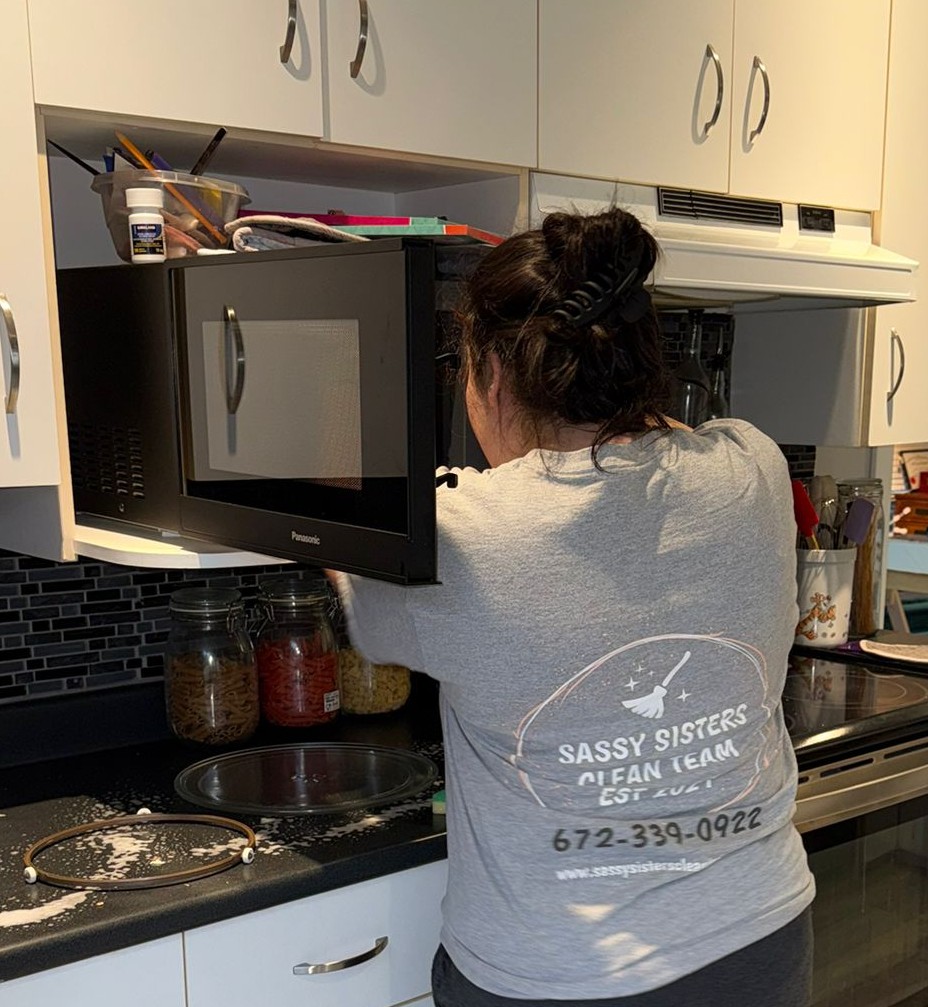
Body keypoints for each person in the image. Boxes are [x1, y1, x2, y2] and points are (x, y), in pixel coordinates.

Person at [333, 207, 815, 1007]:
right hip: (757, 939)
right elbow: (664, 449)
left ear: (488, 374)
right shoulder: (753, 466)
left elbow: (312, 520)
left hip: (560, 976)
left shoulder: (456, 536)